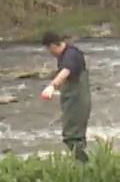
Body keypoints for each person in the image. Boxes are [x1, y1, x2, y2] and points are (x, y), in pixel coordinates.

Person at [39, 31, 91, 162]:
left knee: (72, 138)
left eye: (48, 48)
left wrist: (52, 86)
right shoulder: (67, 54)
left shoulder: (70, 54)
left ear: (52, 45)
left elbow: (66, 71)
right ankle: (83, 166)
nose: (49, 52)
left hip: (77, 101)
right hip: (71, 101)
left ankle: (85, 165)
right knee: (75, 137)